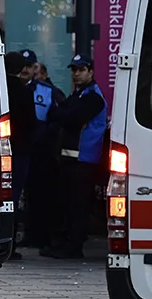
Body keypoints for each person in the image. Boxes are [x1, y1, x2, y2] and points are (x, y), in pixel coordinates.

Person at [42, 55, 107, 259]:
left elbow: (71, 118)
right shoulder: (79, 94)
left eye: (81, 70)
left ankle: (74, 246)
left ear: (91, 72)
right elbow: (56, 113)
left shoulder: (93, 97)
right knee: (67, 203)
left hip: (84, 160)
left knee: (78, 205)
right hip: (72, 158)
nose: (76, 74)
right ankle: (66, 243)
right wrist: (63, 115)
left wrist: (63, 115)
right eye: (74, 70)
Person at [18, 49, 65, 249]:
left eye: (29, 66)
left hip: (41, 152)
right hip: (18, 149)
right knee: (20, 195)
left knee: (40, 195)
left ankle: (40, 236)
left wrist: (44, 135)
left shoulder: (47, 91)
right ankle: (27, 234)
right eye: (23, 66)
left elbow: (58, 118)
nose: (25, 70)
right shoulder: (7, 88)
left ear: (35, 68)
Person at [3, 51, 36, 261]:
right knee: (13, 196)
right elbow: (31, 122)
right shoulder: (24, 92)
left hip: (0, 148)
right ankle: (10, 244)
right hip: (20, 150)